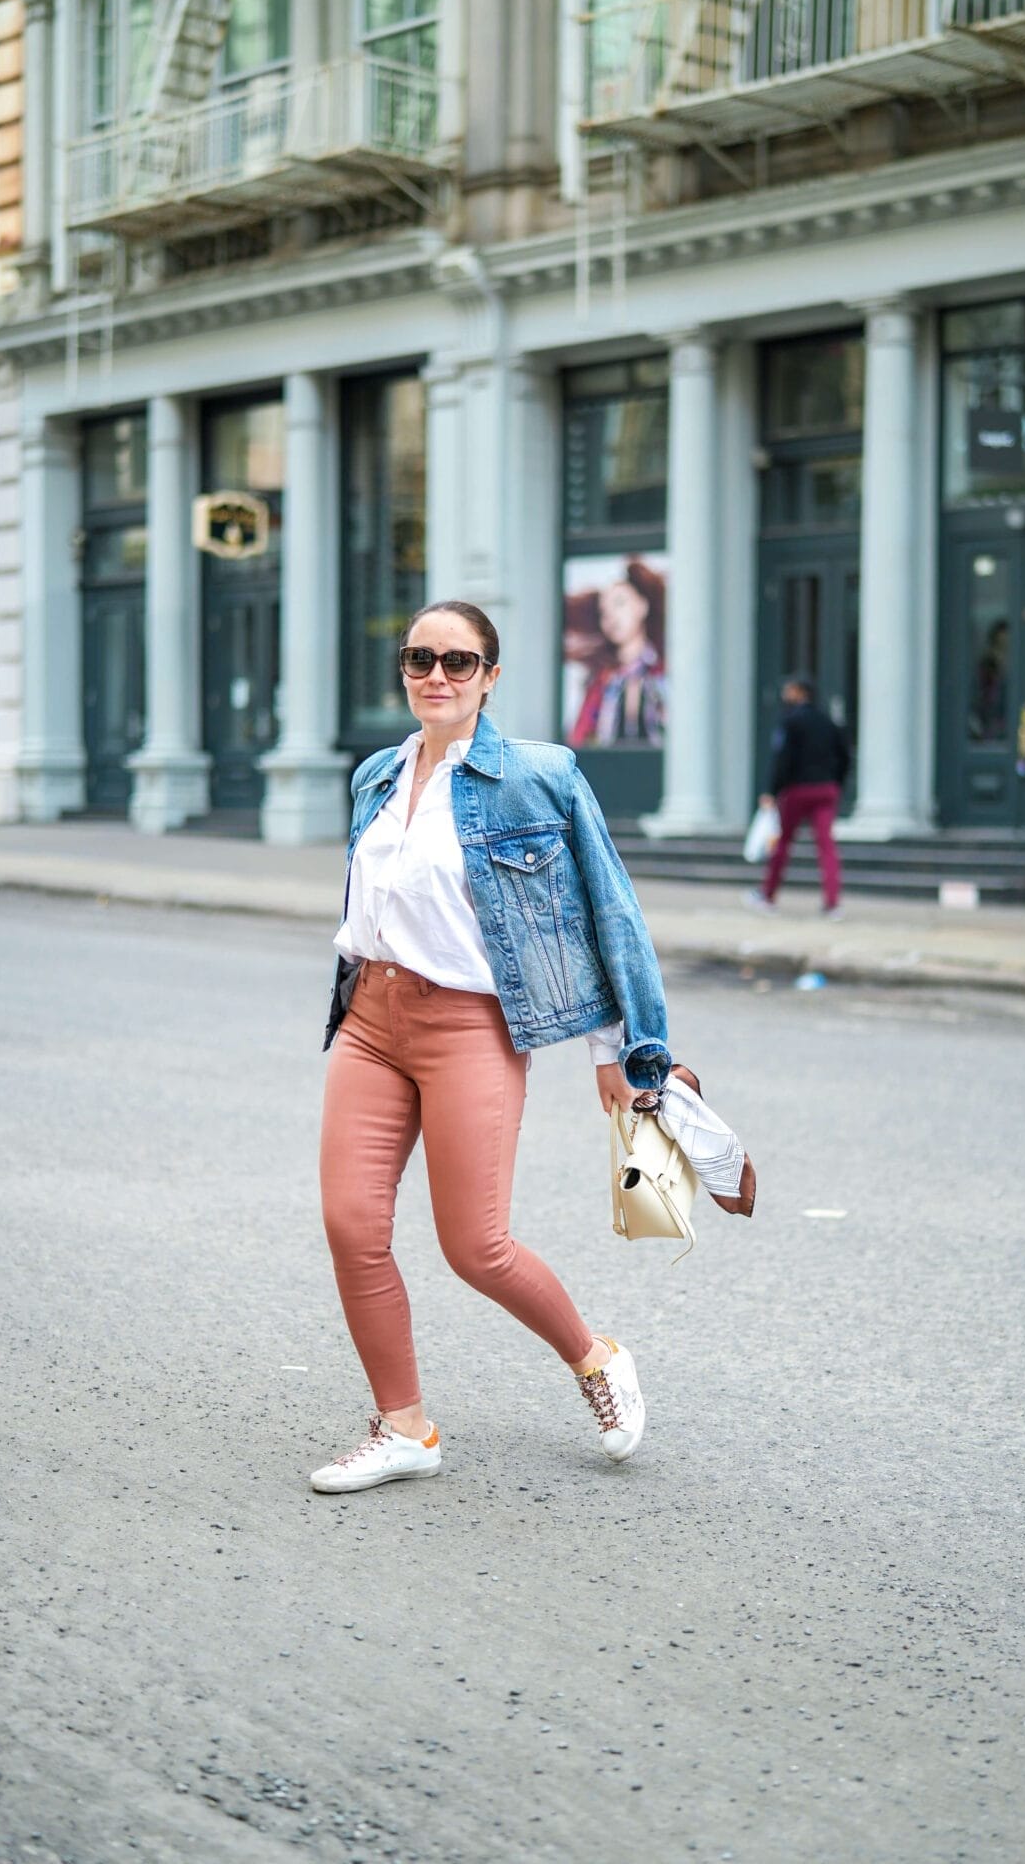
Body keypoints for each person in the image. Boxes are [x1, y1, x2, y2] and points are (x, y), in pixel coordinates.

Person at [313, 599, 673, 1494]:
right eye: (419, 658)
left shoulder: (537, 776)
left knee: (475, 1247)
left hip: (469, 1025)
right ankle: (405, 1429)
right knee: (352, 1226)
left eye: (459, 661)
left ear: (491, 676)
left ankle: (595, 1359)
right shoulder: (375, 775)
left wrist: (619, 1052)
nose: (437, 675)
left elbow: (601, 911)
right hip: (371, 1020)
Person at [749, 674, 851, 917]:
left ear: (800, 693)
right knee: (826, 846)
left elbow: (782, 759)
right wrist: (837, 784)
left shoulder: (791, 722)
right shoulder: (828, 722)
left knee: (782, 843)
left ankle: (768, 894)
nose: (785, 694)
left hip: (798, 790)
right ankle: (832, 902)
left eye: (790, 690)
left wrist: (772, 791)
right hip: (826, 789)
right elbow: (844, 756)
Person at [566, 558, 667, 747]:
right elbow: (580, 740)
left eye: (620, 603)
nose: (611, 616)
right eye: (604, 611)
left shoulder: (664, 672)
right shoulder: (602, 681)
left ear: (642, 606)